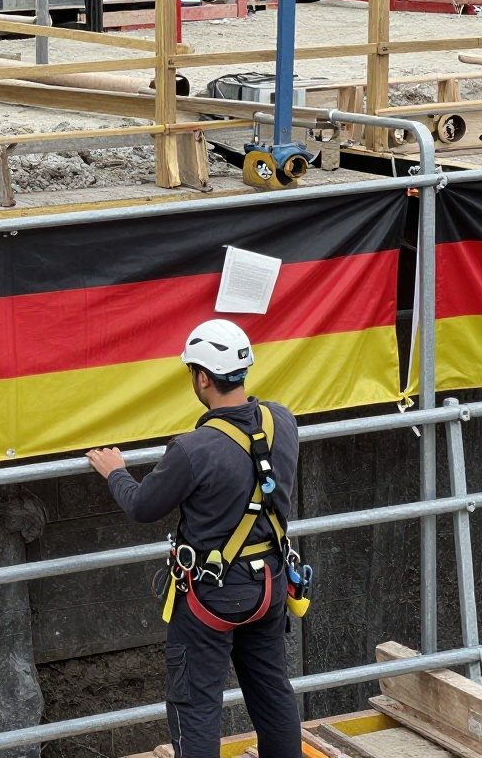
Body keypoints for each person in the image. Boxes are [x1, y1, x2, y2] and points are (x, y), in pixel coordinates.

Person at [87, 319, 302, 758]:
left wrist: (116, 473)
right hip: (270, 585)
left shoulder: (193, 449)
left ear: (202, 378)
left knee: (196, 707)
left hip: (212, 599)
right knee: (272, 693)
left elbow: (143, 506)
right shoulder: (283, 421)